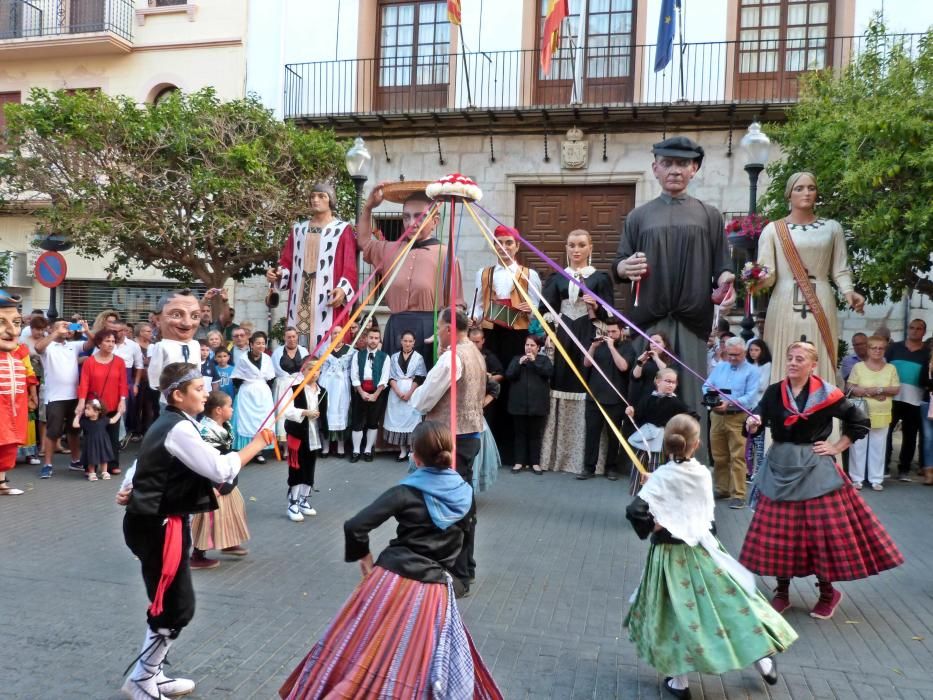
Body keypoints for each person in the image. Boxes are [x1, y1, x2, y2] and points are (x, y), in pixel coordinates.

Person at [277, 420, 502, 699]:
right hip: (433, 589)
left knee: (364, 646)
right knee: (420, 657)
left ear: (415, 456)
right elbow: (465, 540)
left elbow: (354, 526)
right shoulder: (465, 494)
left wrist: (364, 557)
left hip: (389, 579)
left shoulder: (405, 491)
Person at [117, 363, 272, 699]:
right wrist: (257, 444)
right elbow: (220, 468)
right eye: (199, 389)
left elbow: (143, 463)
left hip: (159, 523)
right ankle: (142, 680)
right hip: (158, 527)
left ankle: (151, 673)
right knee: (175, 606)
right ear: (178, 395)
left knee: (170, 604)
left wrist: (128, 485)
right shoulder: (178, 428)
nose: (206, 393)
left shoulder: (175, 424)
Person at [624, 414, 797, 700]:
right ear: (695, 444)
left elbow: (636, 510)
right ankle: (763, 659)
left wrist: (658, 524)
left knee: (673, 612)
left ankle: (679, 682)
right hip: (705, 551)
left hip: (670, 555)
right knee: (729, 602)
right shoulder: (702, 472)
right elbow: (703, 512)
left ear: (667, 443)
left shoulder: (664, 476)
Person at [740, 342, 903, 619]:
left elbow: (859, 421)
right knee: (781, 534)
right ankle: (782, 592)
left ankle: (828, 593)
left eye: (799, 359)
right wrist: (753, 422)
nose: (792, 362)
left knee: (821, 535)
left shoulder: (827, 393)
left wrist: (837, 447)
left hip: (816, 469)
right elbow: (759, 415)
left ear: (812, 365)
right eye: (789, 358)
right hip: (780, 466)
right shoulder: (773, 391)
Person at [614, 136, 735, 443]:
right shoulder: (638, 217)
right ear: (655, 168)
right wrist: (624, 268)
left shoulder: (709, 215)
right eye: (667, 163)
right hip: (649, 320)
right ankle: (645, 462)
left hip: (692, 320)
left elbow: (722, 266)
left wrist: (726, 283)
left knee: (691, 395)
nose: (674, 170)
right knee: (648, 392)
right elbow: (618, 264)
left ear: (694, 169)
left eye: (682, 164)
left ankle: (692, 464)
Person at [753, 172, 865, 384]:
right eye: (799, 188)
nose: (806, 192)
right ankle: (782, 412)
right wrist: (755, 281)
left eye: (811, 188)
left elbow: (840, 269)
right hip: (784, 299)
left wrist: (849, 292)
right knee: (784, 357)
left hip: (820, 297)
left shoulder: (832, 228)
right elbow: (768, 273)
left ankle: (822, 412)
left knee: (820, 355)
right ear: (789, 195)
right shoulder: (773, 230)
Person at [410, 309, 487, 596]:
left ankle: (458, 573)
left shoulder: (453, 357)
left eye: (441, 327)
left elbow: (426, 395)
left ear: (447, 329)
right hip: (470, 434)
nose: (439, 332)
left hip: (450, 437)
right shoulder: (475, 352)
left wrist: (416, 401)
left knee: (451, 504)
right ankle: (467, 566)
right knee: (465, 500)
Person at [358, 184, 464, 362]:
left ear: (435, 221)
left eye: (419, 217)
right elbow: (364, 243)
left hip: (429, 331)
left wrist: (445, 336)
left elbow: (456, 305)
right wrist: (368, 208)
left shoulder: (446, 255)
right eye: (406, 217)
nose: (411, 223)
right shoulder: (389, 249)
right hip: (395, 328)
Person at [539, 229, 614, 474]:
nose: (576, 250)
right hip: (563, 337)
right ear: (566, 247)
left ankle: (590, 461)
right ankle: (558, 458)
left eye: (581, 245)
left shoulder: (600, 278)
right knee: (560, 382)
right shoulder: (557, 278)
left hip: (589, 335)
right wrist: (551, 334)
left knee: (588, 385)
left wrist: (597, 308)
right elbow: (545, 310)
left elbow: (611, 315)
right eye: (572, 245)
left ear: (590, 247)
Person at [267, 182, 358, 351]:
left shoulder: (342, 230)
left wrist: (342, 289)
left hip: (326, 298)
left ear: (330, 200)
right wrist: (278, 274)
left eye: (321, 196)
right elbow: (286, 262)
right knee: (298, 345)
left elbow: (350, 266)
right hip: (300, 298)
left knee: (328, 346)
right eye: (312, 196)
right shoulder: (298, 230)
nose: (315, 200)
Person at [189, 390, 250, 569]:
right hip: (212, 480)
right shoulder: (207, 432)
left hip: (226, 477)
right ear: (218, 410)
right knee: (208, 518)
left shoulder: (225, 426)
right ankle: (197, 555)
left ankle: (228, 542)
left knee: (233, 508)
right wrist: (211, 485)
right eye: (229, 406)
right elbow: (204, 461)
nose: (232, 409)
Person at [702, 336, 760, 509]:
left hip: (738, 416)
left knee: (738, 456)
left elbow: (751, 396)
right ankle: (722, 488)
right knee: (719, 455)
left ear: (744, 352)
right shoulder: (720, 367)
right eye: (730, 354)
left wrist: (731, 402)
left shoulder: (752, 371)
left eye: (737, 354)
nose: (733, 358)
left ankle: (738, 494)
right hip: (717, 416)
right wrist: (712, 399)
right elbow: (706, 386)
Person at [34, 319, 92, 478]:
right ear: (52, 328)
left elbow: (92, 344)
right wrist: (56, 332)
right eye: (62, 326)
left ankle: (75, 461)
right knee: (53, 431)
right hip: (55, 396)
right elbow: (38, 348)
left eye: (68, 327)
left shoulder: (73, 345)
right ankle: (47, 464)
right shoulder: (48, 345)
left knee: (74, 431)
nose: (66, 329)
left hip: (74, 395)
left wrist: (86, 330)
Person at [580, 317, 636, 480]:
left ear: (621, 332)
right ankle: (589, 468)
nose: (610, 334)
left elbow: (623, 367)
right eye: (608, 331)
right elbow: (586, 364)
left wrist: (612, 347)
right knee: (592, 434)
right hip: (594, 398)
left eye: (614, 332)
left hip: (615, 399)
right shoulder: (599, 345)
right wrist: (592, 347)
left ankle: (611, 468)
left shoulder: (627, 347)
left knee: (613, 436)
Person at [625, 368, 698, 492]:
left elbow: (691, 417)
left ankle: (656, 498)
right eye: (667, 381)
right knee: (641, 466)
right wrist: (632, 413)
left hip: (664, 442)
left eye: (673, 382)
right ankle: (640, 498)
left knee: (658, 467)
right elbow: (639, 417)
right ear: (658, 382)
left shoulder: (676, 402)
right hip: (647, 440)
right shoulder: (648, 398)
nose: (670, 385)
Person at [847, 336, 899, 491]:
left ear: (885, 350)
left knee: (879, 446)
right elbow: (849, 387)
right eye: (873, 347)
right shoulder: (858, 367)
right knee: (858, 445)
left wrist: (878, 390)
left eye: (880, 348)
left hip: (881, 413)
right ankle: (857, 478)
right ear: (868, 349)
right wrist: (871, 392)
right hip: (860, 413)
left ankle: (876, 478)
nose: (877, 351)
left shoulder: (891, 368)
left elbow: (895, 389)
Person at [74, 329, 128, 478]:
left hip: (113, 403)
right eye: (107, 341)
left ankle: (112, 465)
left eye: (113, 341)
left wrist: (122, 401)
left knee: (112, 437)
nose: (111, 344)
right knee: (91, 438)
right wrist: (81, 402)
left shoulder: (119, 362)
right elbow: (84, 383)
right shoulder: (90, 362)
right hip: (94, 407)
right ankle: (90, 466)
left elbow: (123, 384)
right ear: (99, 343)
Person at [146, 290, 209, 404]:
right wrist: (168, 393)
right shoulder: (161, 347)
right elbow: (154, 377)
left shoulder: (195, 345)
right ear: (157, 319)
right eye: (176, 315)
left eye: (194, 316)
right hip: (169, 401)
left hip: (192, 400)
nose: (187, 323)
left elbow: (197, 372)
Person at [885, 318, 928, 480]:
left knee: (910, 436)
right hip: (892, 398)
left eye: (919, 328)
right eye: (912, 327)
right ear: (908, 329)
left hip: (916, 400)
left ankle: (904, 469)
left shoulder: (928, 353)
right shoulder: (894, 348)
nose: (915, 331)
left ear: (924, 332)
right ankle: (884, 466)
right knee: (886, 433)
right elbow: (883, 367)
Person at [282, 356, 323, 522]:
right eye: (310, 369)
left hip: (313, 435)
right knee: (296, 468)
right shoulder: (294, 389)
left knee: (310, 467)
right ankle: (292, 503)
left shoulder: (323, 391)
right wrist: (305, 412)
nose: (314, 373)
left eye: (317, 370)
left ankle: (304, 500)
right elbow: (286, 410)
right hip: (297, 434)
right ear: (303, 371)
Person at [505, 334, 553, 475]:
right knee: (520, 434)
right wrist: (519, 363)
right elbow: (509, 375)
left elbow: (549, 373)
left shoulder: (543, 360)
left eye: (532, 345)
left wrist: (534, 362)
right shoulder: (516, 359)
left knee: (535, 435)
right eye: (527, 345)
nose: (529, 348)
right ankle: (519, 462)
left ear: (538, 348)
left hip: (537, 405)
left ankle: (535, 463)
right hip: (518, 405)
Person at [231, 331, 275, 463]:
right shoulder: (243, 359)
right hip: (247, 393)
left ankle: (259, 451)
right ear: (251, 344)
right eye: (258, 343)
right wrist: (247, 388)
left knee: (262, 421)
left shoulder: (267, 358)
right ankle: (245, 451)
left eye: (263, 343)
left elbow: (270, 378)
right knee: (245, 420)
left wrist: (263, 389)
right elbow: (236, 378)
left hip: (263, 393)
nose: (261, 345)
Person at [0, 290, 28, 496]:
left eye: (16, 323)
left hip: (14, 410)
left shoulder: (19, 354)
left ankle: (1, 482)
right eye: (2, 322)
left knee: (9, 445)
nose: (12, 331)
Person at [383, 330, 427, 461]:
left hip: (412, 392)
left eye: (410, 341)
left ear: (414, 343)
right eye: (405, 341)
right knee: (399, 420)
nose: (407, 343)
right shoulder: (394, 357)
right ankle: (402, 450)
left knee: (412, 421)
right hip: (396, 392)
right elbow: (390, 376)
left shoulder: (418, 357)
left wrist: (409, 393)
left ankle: (413, 451)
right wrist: (398, 392)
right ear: (401, 342)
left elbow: (420, 377)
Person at [349, 326, 389, 462]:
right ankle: (355, 451)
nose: (373, 340)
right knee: (357, 422)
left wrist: (375, 394)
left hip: (377, 393)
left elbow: (384, 378)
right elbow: (354, 375)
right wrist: (361, 393)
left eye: (376, 338)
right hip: (360, 392)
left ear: (379, 340)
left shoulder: (385, 357)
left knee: (373, 422)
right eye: (371, 337)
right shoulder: (357, 355)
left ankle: (367, 450)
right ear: (366, 338)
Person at [317, 324, 353, 457]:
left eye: (339, 333)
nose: (337, 335)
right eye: (334, 333)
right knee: (326, 412)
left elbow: (351, 370)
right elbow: (319, 368)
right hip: (327, 385)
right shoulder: (323, 350)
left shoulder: (350, 350)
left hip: (342, 387)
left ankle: (340, 447)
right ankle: (325, 447)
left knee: (341, 412)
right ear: (330, 335)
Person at [271, 327, 309, 445]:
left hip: (299, 386)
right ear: (284, 338)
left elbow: (307, 368)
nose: (291, 339)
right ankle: (285, 446)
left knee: (298, 412)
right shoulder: (277, 352)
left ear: (297, 337)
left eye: (293, 336)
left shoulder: (303, 351)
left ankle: (298, 442)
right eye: (289, 337)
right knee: (283, 413)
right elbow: (274, 369)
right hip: (282, 387)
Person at [746, 338, 773, 480]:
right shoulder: (747, 365)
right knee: (747, 441)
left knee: (758, 441)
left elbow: (762, 385)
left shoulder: (766, 365)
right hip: (746, 406)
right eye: (751, 350)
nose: (753, 353)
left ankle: (759, 471)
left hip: (759, 406)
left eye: (756, 350)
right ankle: (748, 471)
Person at [628, 331, 673, 408]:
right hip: (645, 397)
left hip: (662, 398)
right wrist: (640, 363)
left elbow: (667, 374)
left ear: (664, 344)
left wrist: (656, 358)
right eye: (651, 342)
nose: (654, 345)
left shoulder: (670, 360)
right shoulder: (647, 359)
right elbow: (635, 377)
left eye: (657, 342)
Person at [78, 399, 115, 481]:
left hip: (102, 442)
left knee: (104, 457)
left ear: (96, 411)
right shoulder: (85, 421)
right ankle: (92, 473)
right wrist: (78, 415)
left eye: (88, 409)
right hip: (90, 443)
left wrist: (120, 412)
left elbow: (113, 421)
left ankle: (104, 472)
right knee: (91, 457)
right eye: (86, 409)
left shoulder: (103, 420)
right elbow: (75, 425)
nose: (85, 411)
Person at [919, 352, 933, 486]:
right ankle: (929, 471)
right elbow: (922, 381)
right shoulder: (927, 362)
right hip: (928, 403)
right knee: (928, 438)